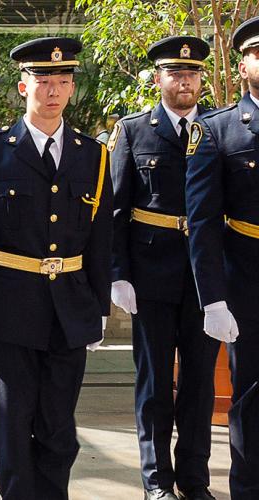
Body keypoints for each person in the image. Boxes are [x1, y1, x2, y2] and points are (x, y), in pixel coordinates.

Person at [0, 37, 111, 499]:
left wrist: (98, 306)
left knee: (59, 425)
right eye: (44, 81)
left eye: (63, 81)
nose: (54, 90)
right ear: (24, 87)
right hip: (8, 310)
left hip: (70, 310)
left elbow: (100, 238)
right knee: (12, 423)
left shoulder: (93, 154)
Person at [109, 35, 218, 500]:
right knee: (154, 383)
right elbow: (114, 209)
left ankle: (195, 480)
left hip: (207, 278)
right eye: (175, 73)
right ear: (158, 80)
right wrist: (118, 273)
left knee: (199, 383)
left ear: (201, 80)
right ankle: (157, 481)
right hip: (150, 276)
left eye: (191, 74)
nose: (184, 81)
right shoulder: (134, 131)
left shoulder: (218, 129)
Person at [185, 15, 259, 499]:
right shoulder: (218, 129)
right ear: (244, 62)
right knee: (251, 395)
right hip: (248, 276)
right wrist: (213, 298)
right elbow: (203, 220)